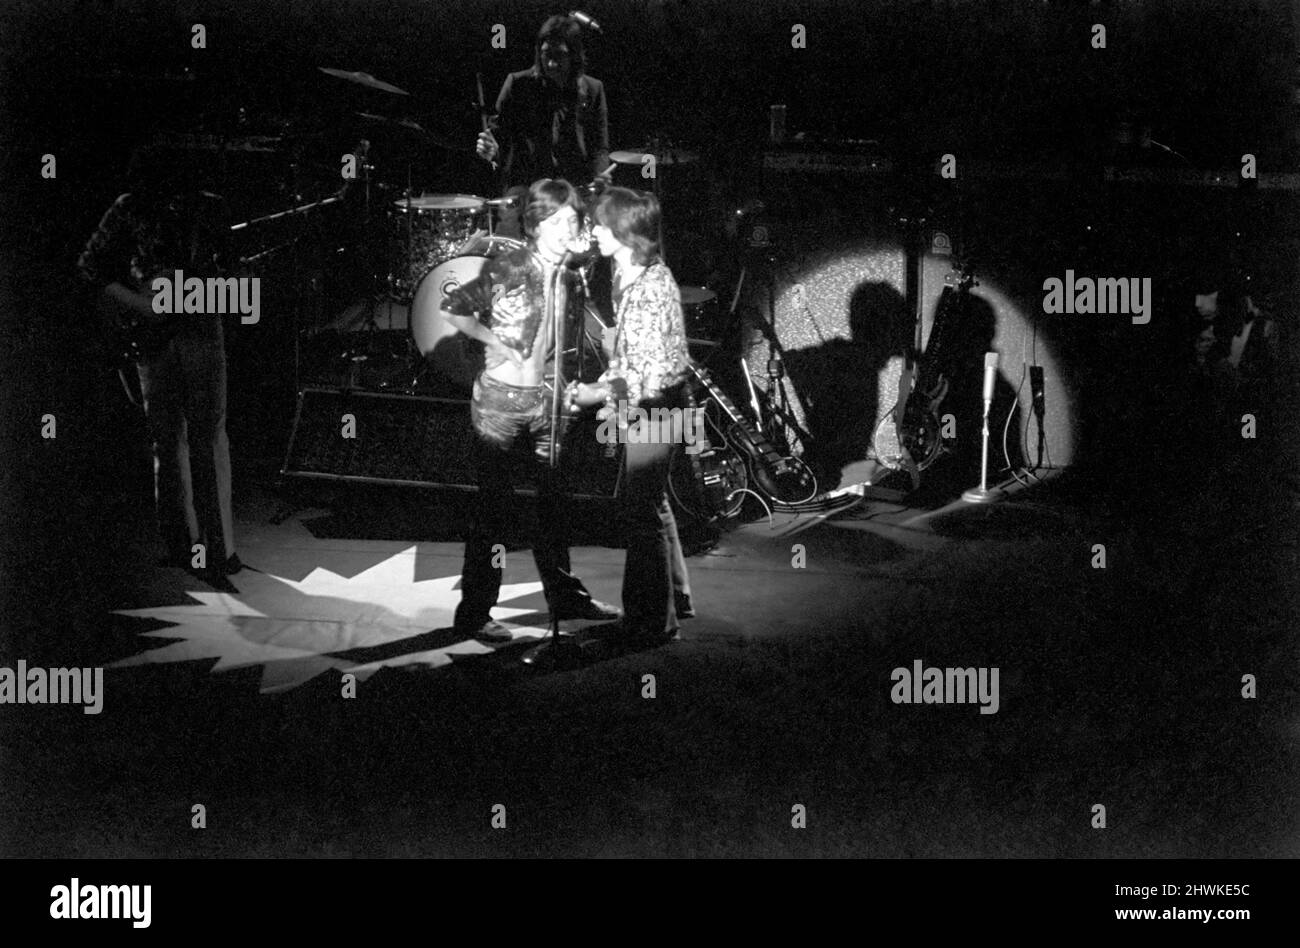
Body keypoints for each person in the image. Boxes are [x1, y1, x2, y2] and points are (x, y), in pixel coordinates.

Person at [441, 178, 620, 642]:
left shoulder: (573, 274)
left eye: (572, 221)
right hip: (501, 405)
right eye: (557, 221)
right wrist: (492, 341)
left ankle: (564, 596)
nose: (568, 229)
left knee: (554, 505)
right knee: (494, 511)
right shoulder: (512, 266)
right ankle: (475, 613)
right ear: (536, 225)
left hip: (549, 403)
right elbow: (455, 308)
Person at [77, 143, 241, 578]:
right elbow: (90, 268)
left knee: (199, 440)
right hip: (156, 335)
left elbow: (235, 273)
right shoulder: (130, 208)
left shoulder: (208, 208)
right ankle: (188, 546)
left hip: (199, 328)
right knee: (173, 443)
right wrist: (141, 304)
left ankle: (216, 549)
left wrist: (189, 290)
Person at [566, 187, 695, 647]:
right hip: (656, 404)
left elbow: (650, 376)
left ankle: (648, 622)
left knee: (640, 510)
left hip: (658, 408)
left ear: (622, 230)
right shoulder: (628, 272)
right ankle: (674, 597)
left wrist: (594, 395)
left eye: (601, 225)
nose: (594, 232)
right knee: (653, 503)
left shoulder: (649, 288)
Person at [475, 14, 611, 237]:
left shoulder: (593, 89)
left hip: (574, 189)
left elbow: (599, 146)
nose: (551, 63)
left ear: (574, 56)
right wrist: (491, 151)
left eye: (560, 56)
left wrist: (600, 174)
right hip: (525, 189)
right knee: (510, 246)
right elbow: (498, 140)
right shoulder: (518, 85)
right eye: (546, 54)